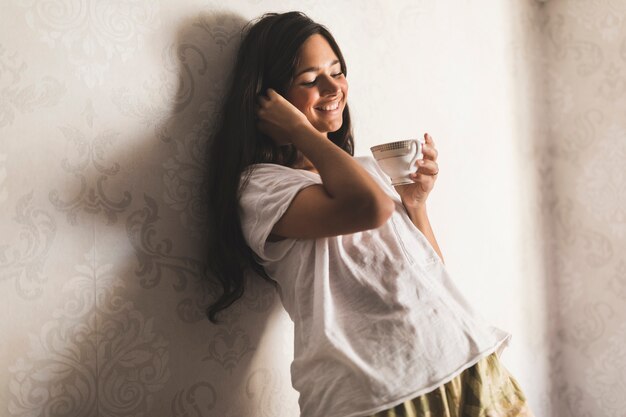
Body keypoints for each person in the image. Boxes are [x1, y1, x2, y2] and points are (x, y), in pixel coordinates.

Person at [206, 11, 535, 417]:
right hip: (378, 392)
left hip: (463, 358)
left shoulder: (365, 170)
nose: (333, 88)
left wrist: (415, 203)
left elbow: (429, 276)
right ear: (268, 101)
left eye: (337, 72)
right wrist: (299, 131)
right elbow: (372, 209)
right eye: (310, 80)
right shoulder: (262, 188)